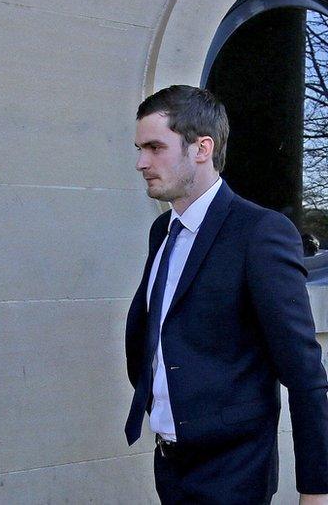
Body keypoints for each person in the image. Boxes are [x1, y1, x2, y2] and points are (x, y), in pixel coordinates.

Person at [125, 85, 328, 504]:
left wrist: (317, 490)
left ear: (202, 148)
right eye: (139, 148)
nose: (142, 162)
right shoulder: (162, 231)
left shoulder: (259, 233)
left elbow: (304, 372)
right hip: (171, 464)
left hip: (232, 475)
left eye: (154, 147)